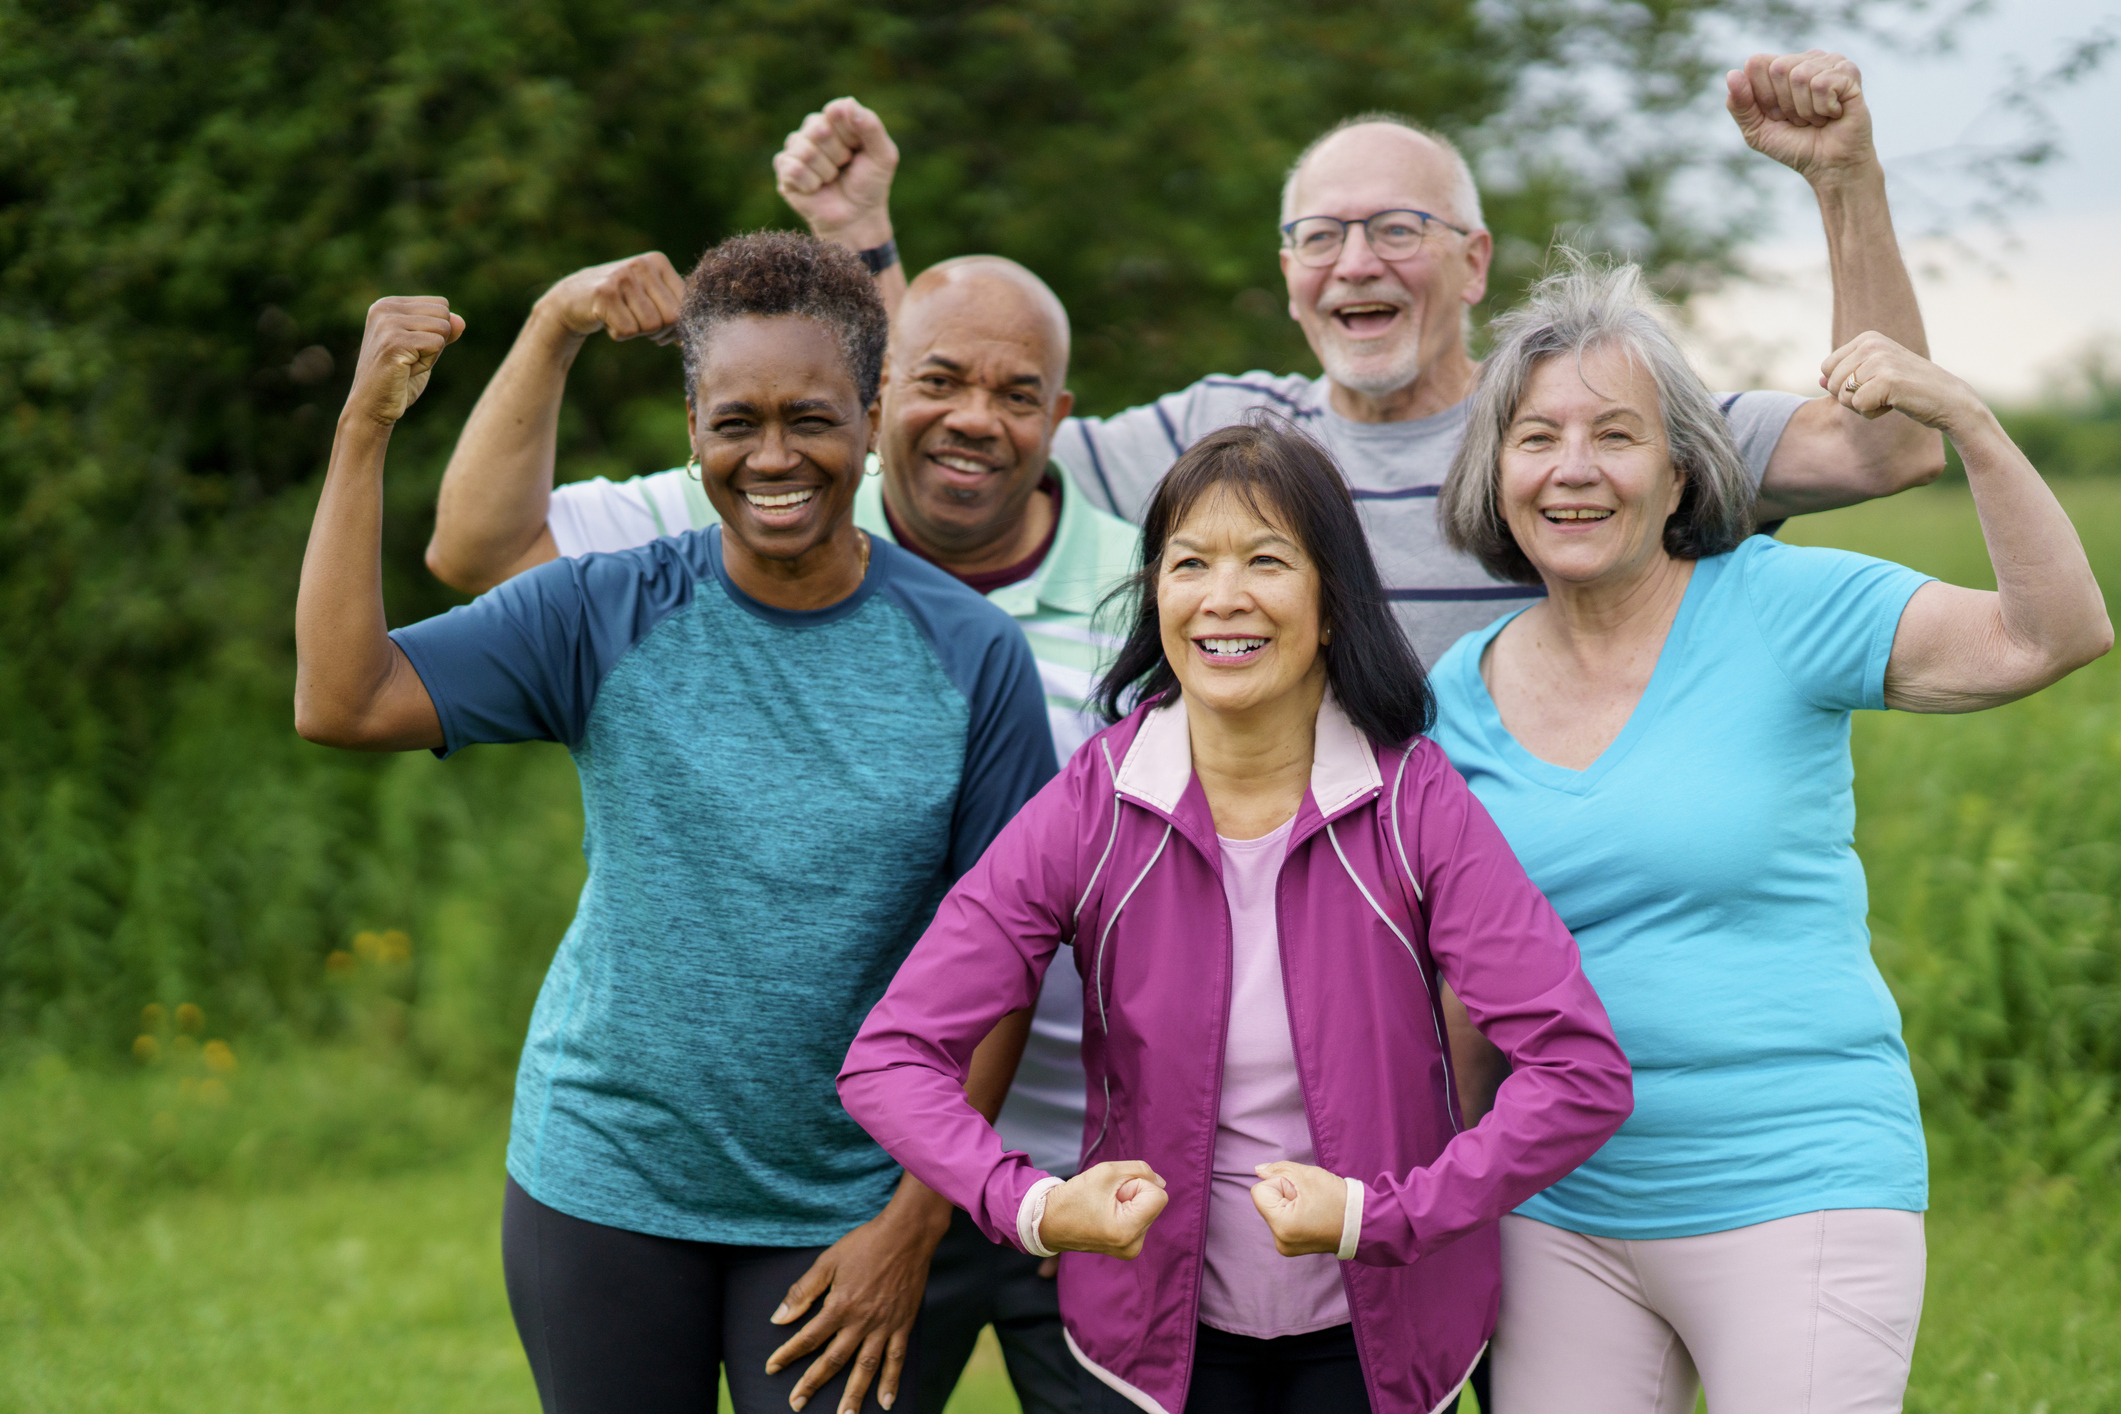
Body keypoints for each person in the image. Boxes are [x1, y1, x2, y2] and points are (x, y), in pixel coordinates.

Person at [293, 232, 1060, 1414]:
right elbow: (345, 699)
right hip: (601, 1180)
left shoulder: (971, 656)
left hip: (842, 1203)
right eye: (733, 421)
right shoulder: (607, 610)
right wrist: (363, 430)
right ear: (692, 424)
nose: (772, 456)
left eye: (810, 417)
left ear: (869, 415)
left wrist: (915, 1224)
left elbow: (1004, 966)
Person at [838, 418, 1637, 1414]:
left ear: (1332, 603)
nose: (1223, 597)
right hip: (1151, 1348)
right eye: (1188, 563)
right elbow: (890, 1058)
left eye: (1266, 559)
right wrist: (1035, 1205)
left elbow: (1580, 1073)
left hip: (1383, 1331)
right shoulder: (1095, 801)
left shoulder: (1412, 800)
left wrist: (1384, 1212)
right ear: (1157, 593)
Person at [1426, 256, 2111, 1413]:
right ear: (1496, 476)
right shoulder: (1457, 692)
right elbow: (1453, 977)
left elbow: (2049, 637)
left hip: (1797, 1186)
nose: (1574, 468)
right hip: (1563, 1212)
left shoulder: (1780, 604)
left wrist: (1970, 422)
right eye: (1537, 437)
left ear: (1685, 467)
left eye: (1617, 434)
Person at [772, 52, 1945, 666]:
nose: (1355, 264)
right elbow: (965, 444)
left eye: (1398, 229)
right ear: (1288, 274)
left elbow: (1886, 445)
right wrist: (860, 237)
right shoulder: (1228, 434)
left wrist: (1845, 181)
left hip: (1543, 937)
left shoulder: (1581, 425)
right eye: (1319, 236)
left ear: (1475, 263)